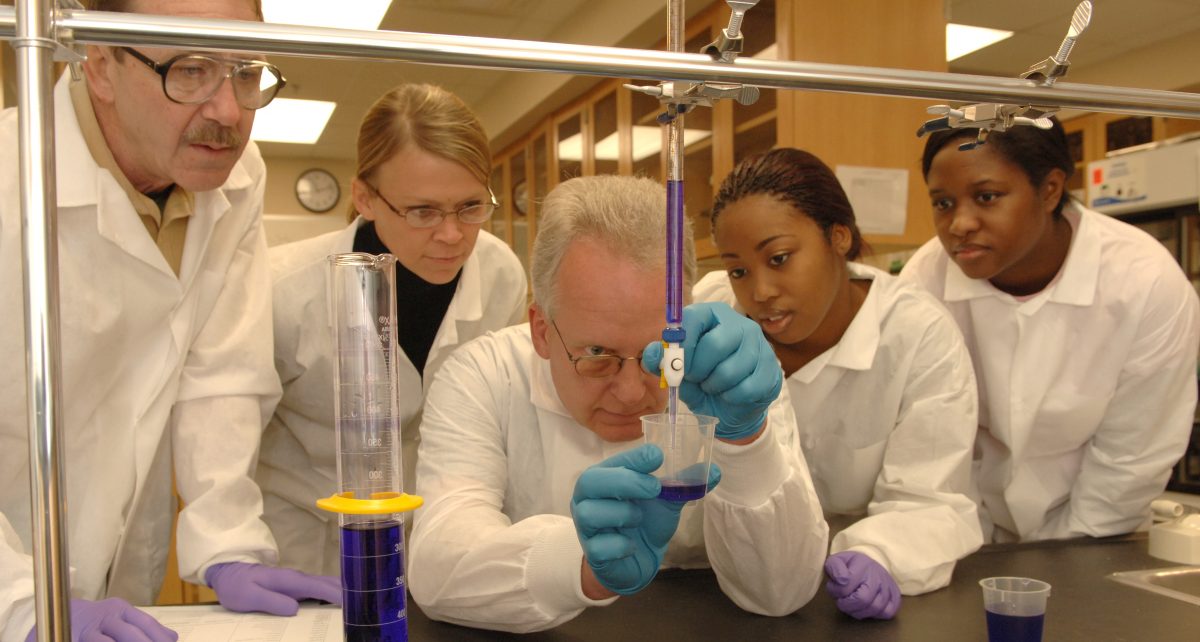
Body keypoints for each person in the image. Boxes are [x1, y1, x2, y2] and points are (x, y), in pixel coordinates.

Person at [0, 2, 341, 640]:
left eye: (246, 71)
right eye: (189, 70)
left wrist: (229, 539)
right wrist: (20, 604)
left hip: (120, 579)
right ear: (99, 65)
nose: (229, 112)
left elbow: (223, 371)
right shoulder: (9, 180)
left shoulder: (239, 176)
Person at [407, 174, 829, 632]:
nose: (631, 393)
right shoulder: (485, 374)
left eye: (659, 356)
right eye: (596, 356)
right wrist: (583, 566)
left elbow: (781, 595)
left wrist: (746, 439)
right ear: (543, 331)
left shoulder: (726, 373)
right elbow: (438, 568)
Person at [695, 148, 983, 620]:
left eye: (780, 258)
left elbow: (929, 499)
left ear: (839, 237)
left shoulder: (916, 335)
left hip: (845, 595)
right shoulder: (715, 321)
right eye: (738, 270)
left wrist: (878, 554)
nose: (760, 291)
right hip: (727, 587)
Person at [258, 83, 527, 576]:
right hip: (304, 543)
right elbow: (230, 436)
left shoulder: (502, 273)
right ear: (365, 197)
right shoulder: (283, 290)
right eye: (422, 211)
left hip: (442, 537)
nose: (451, 234)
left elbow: (502, 417)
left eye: (470, 207)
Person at [901, 118, 1200, 543]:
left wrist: (1063, 558)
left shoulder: (1145, 282)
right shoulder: (925, 281)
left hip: (1097, 535)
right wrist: (968, 546)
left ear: (1050, 190)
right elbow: (933, 442)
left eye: (986, 197)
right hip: (965, 535)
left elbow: (1131, 458)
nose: (960, 224)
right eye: (943, 203)